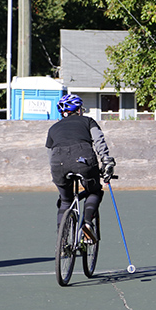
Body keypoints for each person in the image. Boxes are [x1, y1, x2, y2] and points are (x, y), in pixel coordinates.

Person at [46, 94, 116, 241]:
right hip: (83, 158)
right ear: (78, 110)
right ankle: (88, 224)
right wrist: (107, 162)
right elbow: (99, 141)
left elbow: (49, 152)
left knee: (65, 200)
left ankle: (62, 238)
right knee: (95, 191)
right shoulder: (88, 121)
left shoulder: (53, 128)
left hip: (58, 162)